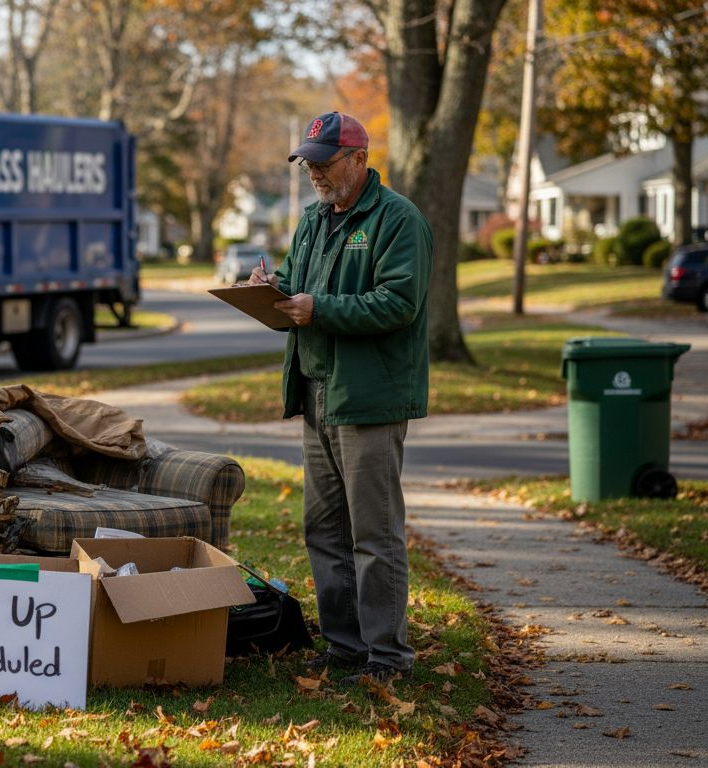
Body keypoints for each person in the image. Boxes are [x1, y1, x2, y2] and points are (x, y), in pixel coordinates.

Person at [249, 111, 431, 686]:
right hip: (315, 390)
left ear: (359, 157)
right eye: (309, 164)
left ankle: (387, 658)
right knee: (323, 531)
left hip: (369, 397)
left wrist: (318, 309)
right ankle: (344, 647)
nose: (316, 174)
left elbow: (399, 303)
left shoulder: (397, 219)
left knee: (373, 535)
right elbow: (296, 286)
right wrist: (270, 292)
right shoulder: (311, 220)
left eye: (325, 162)